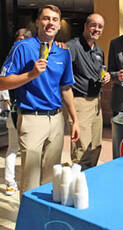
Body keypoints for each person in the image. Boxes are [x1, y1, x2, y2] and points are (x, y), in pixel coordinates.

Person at [0, 5, 80, 196]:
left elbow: (66, 88)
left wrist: (74, 120)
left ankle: (45, 221)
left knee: (51, 178)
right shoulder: (23, 47)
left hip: (56, 120)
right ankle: (29, 224)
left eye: (54, 20)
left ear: (59, 26)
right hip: (32, 118)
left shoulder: (63, 52)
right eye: (45, 18)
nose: (50, 23)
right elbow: (2, 83)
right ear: (37, 22)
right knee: (30, 180)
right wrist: (31, 74)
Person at [64, 13, 110, 170]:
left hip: (96, 103)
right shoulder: (73, 47)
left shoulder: (99, 51)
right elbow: (61, 74)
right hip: (79, 102)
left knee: (96, 145)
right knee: (81, 149)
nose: (96, 29)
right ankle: (76, 185)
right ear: (85, 26)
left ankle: (89, 180)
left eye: (100, 27)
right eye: (93, 25)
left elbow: (99, 73)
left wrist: (107, 76)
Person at [2, 28, 32, 196]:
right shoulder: (13, 59)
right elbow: (4, 82)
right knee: (14, 148)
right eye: (17, 40)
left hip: (28, 111)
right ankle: (10, 182)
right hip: (14, 111)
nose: (18, 44)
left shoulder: (29, 59)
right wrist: (7, 102)